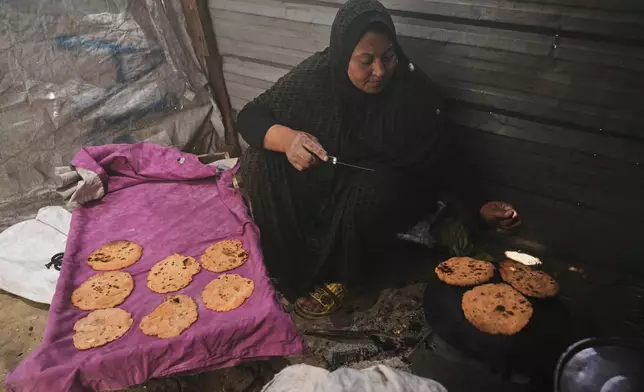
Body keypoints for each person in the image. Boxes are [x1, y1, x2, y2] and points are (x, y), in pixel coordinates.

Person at [237, 0, 521, 318]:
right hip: (325, 182)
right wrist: (289, 140)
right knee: (258, 163)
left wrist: (479, 204)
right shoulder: (316, 77)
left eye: (388, 57)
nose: (380, 71)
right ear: (343, 56)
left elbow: (446, 155)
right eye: (365, 61)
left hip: (379, 195)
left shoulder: (412, 93)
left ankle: (343, 275)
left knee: (376, 191)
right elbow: (251, 116)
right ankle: (289, 259)